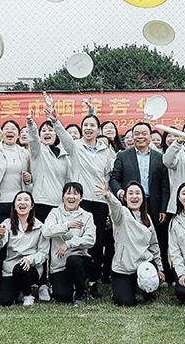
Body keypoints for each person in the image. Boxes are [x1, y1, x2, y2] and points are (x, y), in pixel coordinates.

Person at [53, 97, 116, 291]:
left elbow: (109, 175)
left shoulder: (107, 151)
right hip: (79, 202)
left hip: (98, 201)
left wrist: (108, 197)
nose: (88, 128)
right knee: (76, 239)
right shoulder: (75, 146)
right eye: (85, 125)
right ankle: (73, 277)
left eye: (92, 125)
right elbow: (63, 136)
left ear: (98, 130)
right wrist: (55, 121)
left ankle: (92, 280)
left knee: (95, 242)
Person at [107, 121, 170, 279]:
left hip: (152, 204)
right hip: (131, 205)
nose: (140, 137)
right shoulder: (123, 156)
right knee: (130, 240)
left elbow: (164, 186)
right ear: (131, 136)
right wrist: (121, 193)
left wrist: (163, 208)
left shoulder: (159, 157)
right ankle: (127, 271)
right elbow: (114, 179)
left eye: (144, 134)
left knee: (158, 240)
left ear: (150, 137)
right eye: (137, 134)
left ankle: (161, 272)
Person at [95, 179, 162, 307]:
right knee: (125, 302)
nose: (134, 196)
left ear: (143, 197)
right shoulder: (121, 215)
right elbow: (115, 207)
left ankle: (148, 291)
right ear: (125, 197)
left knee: (148, 282)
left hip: (144, 265)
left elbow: (154, 245)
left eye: (138, 193)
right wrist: (109, 196)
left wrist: (160, 268)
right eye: (130, 193)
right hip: (124, 268)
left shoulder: (147, 218)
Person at [42, 182, 97, 304]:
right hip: (59, 265)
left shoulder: (87, 216)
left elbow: (90, 239)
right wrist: (67, 226)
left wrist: (69, 244)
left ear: (81, 198)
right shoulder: (55, 213)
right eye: (68, 193)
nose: (71, 197)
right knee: (61, 296)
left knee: (73, 260)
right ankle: (68, 287)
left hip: (79, 261)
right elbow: (46, 231)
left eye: (75, 194)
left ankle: (81, 293)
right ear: (63, 197)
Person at [0, 191, 47, 306]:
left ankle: (28, 295)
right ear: (15, 206)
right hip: (10, 268)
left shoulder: (40, 226)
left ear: (31, 206)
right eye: (19, 200)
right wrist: (0, 236)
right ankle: (19, 291)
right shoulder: (7, 223)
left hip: (31, 268)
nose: (22, 203)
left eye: (26, 200)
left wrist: (29, 259)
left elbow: (43, 253)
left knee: (20, 268)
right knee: (5, 301)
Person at [25, 112, 71, 224]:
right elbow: (33, 140)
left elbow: (68, 181)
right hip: (41, 201)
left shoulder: (64, 155)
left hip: (59, 204)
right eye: (44, 130)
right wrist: (31, 125)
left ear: (56, 134)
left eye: (50, 130)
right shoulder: (38, 152)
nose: (47, 133)